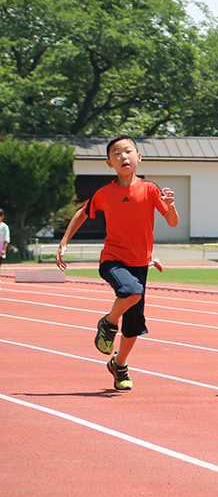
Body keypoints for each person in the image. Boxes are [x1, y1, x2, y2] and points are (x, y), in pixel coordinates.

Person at [55, 135, 179, 391]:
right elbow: (82, 212)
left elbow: (173, 222)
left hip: (140, 263)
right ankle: (109, 323)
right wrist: (64, 241)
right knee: (132, 291)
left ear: (138, 157)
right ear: (109, 163)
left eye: (128, 151)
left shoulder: (150, 189)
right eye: (117, 154)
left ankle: (119, 364)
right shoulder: (105, 193)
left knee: (134, 325)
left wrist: (171, 206)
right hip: (113, 259)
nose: (123, 156)